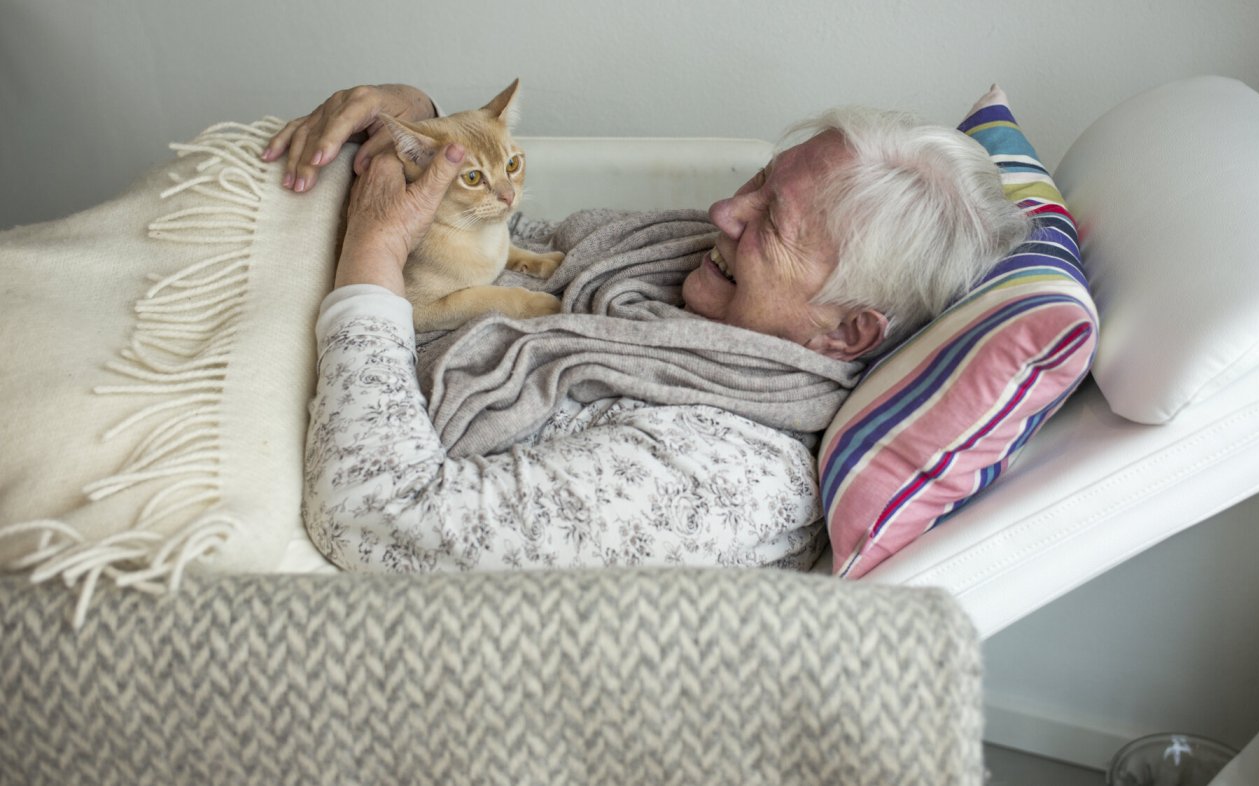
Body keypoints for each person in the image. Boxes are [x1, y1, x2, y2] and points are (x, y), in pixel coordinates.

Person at [266, 83, 1028, 573]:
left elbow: (376, 519)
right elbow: (507, 253)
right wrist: (428, 131)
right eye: (761, 179)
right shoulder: (675, 275)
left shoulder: (724, 478)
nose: (725, 211)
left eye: (773, 221)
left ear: (845, 333)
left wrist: (371, 253)